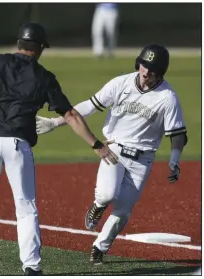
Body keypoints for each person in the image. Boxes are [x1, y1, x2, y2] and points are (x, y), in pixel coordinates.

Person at [0, 22, 118, 276]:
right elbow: (70, 114)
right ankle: (31, 267)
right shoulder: (44, 77)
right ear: (38, 48)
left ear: (19, 44)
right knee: (26, 208)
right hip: (17, 145)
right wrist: (96, 145)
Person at [36, 44, 188, 264]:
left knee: (124, 210)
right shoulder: (121, 83)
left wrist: (174, 159)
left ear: (161, 72)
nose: (146, 72)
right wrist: (56, 121)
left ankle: (100, 247)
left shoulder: (168, 97)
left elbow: (177, 133)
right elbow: (90, 105)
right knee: (107, 195)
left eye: (152, 69)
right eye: (144, 65)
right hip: (114, 148)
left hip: (143, 159)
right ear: (139, 63)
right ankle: (98, 205)